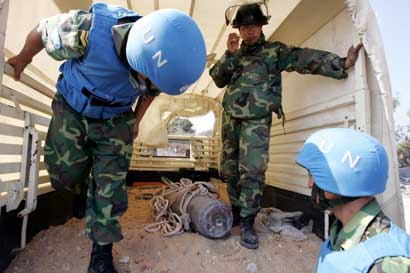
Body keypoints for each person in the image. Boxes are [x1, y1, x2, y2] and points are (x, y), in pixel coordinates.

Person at [7, 3, 206, 273]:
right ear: (140, 58)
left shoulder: (154, 69)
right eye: (152, 81)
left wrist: (136, 121)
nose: (153, 88)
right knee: (63, 175)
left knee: (109, 190)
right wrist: (23, 58)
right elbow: (43, 31)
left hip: (115, 120)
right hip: (73, 107)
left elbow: (150, 92)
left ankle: (101, 255)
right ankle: (79, 189)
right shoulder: (87, 31)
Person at [209, 3, 363, 249]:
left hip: (256, 122)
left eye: (254, 26)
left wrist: (340, 63)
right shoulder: (235, 56)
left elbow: (304, 58)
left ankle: (248, 222)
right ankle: (237, 211)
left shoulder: (274, 52)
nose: (250, 31)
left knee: (252, 171)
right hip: (230, 120)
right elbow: (217, 78)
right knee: (229, 170)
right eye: (245, 26)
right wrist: (229, 53)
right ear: (239, 28)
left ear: (261, 26)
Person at [296, 128, 410, 273]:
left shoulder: (389, 263)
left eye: (312, 175)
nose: (309, 184)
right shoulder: (340, 230)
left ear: (341, 177)